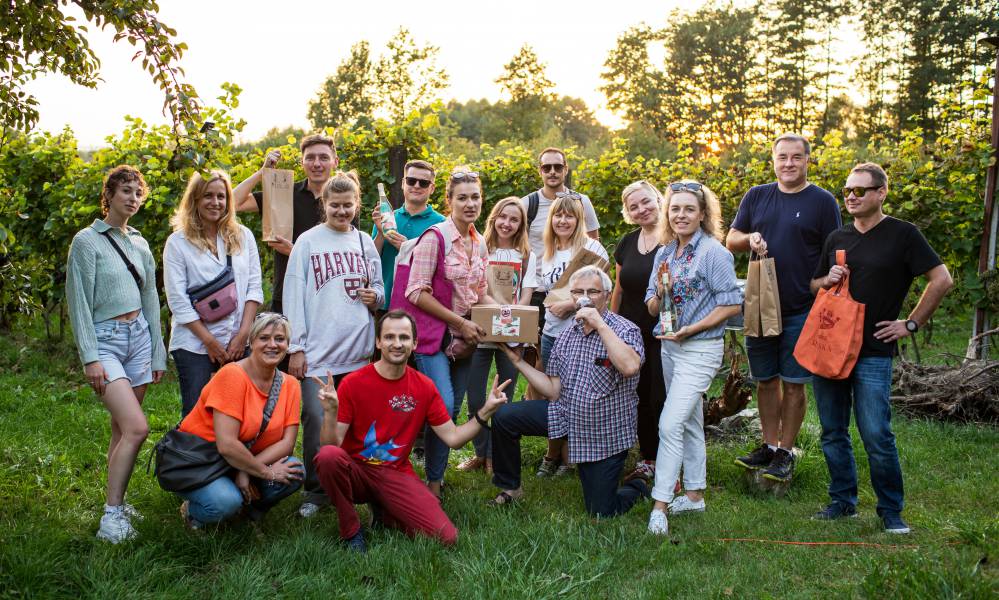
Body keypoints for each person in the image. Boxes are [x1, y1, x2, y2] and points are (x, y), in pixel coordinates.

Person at [809, 163, 952, 534]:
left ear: (881, 192)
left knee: (876, 433)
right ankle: (843, 501)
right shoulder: (837, 237)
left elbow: (941, 279)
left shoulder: (903, 234)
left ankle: (890, 509)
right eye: (847, 191)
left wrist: (911, 323)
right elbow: (814, 286)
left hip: (872, 350)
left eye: (860, 190)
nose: (851, 197)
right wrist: (827, 279)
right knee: (833, 431)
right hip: (831, 347)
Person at [313, 310, 510, 552]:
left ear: (415, 343)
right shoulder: (353, 383)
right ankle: (351, 530)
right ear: (378, 342)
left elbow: (454, 438)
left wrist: (486, 411)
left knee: (445, 537)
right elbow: (330, 446)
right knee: (328, 457)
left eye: (404, 337)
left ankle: (385, 510)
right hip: (355, 471)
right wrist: (330, 412)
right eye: (389, 337)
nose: (397, 344)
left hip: (394, 472)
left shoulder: (424, 387)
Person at [726, 133, 841, 482]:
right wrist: (750, 239)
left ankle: (786, 452)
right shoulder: (757, 195)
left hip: (802, 307)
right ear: (773, 161)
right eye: (782, 157)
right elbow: (731, 239)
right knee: (765, 380)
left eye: (796, 157)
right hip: (761, 305)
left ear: (807, 160)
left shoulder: (823, 201)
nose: (789, 163)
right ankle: (768, 445)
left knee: (793, 383)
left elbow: (834, 251)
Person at [490, 266, 648, 518]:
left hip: (603, 433)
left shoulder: (625, 329)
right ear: (571, 297)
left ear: (606, 295)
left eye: (593, 291)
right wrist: (518, 361)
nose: (585, 297)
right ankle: (511, 488)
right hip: (564, 415)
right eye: (578, 292)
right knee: (504, 416)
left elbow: (630, 367)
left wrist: (599, 324)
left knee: (601, 512)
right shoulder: (566, 335)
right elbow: (553, 391)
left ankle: (637, 485)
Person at [66, 165, 166, 543]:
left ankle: (118, 502)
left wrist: (157, 351)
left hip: (138, 338)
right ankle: (110, 519)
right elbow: (78, 302)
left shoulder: (140, 242)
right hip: (105, 341)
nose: (133, 198)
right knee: (138, 428)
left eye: (138, 192)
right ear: (108, 195)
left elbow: (150, 297)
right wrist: (90, 357)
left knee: (122, 428)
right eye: (125, 191)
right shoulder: (87, 241)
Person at [643, 181, 742, 535]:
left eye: (689, 209)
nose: (681, 215)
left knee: (669, 424)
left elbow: (731, 304)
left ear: (702, 214)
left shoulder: (714, 252)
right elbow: (651, 304)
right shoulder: (664, 253)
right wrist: (660, 296)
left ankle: (660, 505)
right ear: (667, 214)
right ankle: (695, 495)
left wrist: (692, 328)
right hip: (670, 347)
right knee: (688, 422)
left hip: (700, 348)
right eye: (675, 209)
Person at [282, 171, 383, 518]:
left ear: (357, 205)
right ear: (324, 204)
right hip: (317, 353)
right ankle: (316, 490)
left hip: (357, 352)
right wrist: (296, 347)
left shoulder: (364, 242)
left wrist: (375, 297)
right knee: (315, 417)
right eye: (335, 205)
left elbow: (379, 289)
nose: (342, 211)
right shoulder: (308, 242)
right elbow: (293, 294)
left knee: (355, 420)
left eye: (347, 205)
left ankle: (352, 480)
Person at [403, 168, 495, 500]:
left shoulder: (479, 242)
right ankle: (417, 477)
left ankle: (435, 477)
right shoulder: (435, 238)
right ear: (449, 200)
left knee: (450, 411)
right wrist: (460, 323)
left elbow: (480, 293)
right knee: (442, 403)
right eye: (463, 198)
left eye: (475, 197)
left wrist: (512, 317)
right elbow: (415, 291)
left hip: (464, 341)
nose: (470, 204)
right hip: (434, 339)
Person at [175, 312, 305, 529]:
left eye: (280, 339)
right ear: (251, 342)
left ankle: (248, 515)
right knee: (225, 502)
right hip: (204, 462)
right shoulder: (232, 375)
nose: (272, 345)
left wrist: (245, 471)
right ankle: (194, 512)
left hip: (244, 461)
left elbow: (287, 443)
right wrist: (265, 472)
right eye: (264, 338)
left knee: (295, 469)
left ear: (288, 345)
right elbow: (227, 445)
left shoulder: (290, 384)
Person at [164, 170, 263, 417]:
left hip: (238, 340)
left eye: (221, 196)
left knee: (241, 413)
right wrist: (209, 342)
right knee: (197, 414)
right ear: (195, 199)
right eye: (208, 195)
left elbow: (254, 287)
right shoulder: (178, 243)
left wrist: (243, 334)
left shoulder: (243, 236)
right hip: (195, 343)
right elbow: (178, 301)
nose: (215, 202)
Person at [457, 196, 538, 474]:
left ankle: (495, 455)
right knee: (475, 398)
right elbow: (474, 289)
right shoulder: (480, 247)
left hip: (511, 337)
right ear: (494, 218)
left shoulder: (526, 255)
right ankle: (481, 453)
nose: (507, 223)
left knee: (504, 399)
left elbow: (526, 295)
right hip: (481, 333)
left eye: (514, 219)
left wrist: (512, 320)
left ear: (521, 225)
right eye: (503, 217)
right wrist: (496, 315)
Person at [536, 193, 609, 476]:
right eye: (558, 215)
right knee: (554, 396)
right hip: (552, 335)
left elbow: (602, 293)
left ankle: (572, 457)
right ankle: (552, 453)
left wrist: (571, 303)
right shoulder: (548, 251)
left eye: (569, 216)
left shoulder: (591, 249)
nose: (563, 221)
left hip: (582, 335)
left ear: (579, 220)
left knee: (577, 396)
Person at [233, 133, 339, 314]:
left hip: (327, 294)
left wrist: (294, 251)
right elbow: (233, 203)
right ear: (302, 162)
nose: (316, 164)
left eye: (323, 157)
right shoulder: (283, 192)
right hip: (287, 292)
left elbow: (346, 252)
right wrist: (262, 172)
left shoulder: (343, 201)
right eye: (310, 158)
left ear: (335, 162)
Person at [610, 181, 667, 482]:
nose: (641, 209)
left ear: (658, 199)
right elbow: (618, 290)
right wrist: (611, 326)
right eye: (634, 207)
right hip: (631, 334)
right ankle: (648, 458)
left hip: (664, 333)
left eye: (646, 202)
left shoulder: (673, 239)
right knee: (639, 396)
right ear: (628, 213)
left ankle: (671, 458)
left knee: (661, 396)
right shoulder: (627, 242)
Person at [521, 147, 600, 337]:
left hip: (573, 290)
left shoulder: (582, 201)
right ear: (540, 171)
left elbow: (593, 245)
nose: (552, 172)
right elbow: (520, 247)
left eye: (557, 167)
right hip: (537, 289)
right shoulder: (527, 204)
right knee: (535, 346)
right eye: (546, 167)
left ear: (565, 169)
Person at [371, 159, 447, 310]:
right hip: (385, 303)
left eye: (423, 183)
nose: (416, 186)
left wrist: (407, 248)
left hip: (421, 306)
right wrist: (380, 233)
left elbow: (442, 269)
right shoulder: (387, 218)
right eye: (411, 181)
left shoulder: (442, 224)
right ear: (403, 183)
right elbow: (372, 261)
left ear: (432, 188)